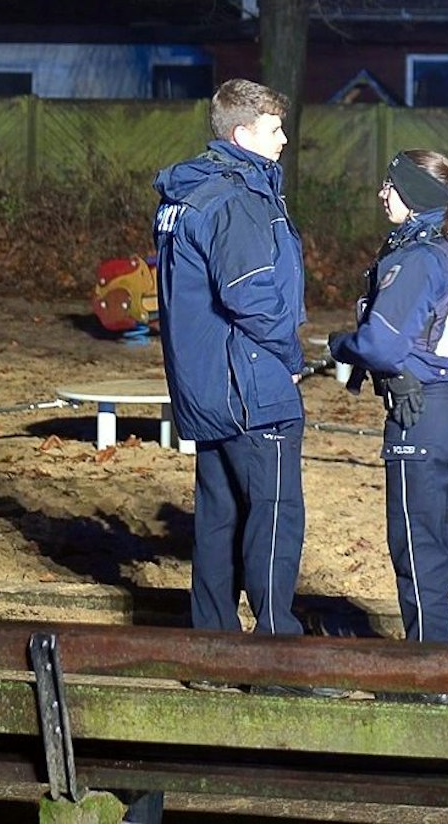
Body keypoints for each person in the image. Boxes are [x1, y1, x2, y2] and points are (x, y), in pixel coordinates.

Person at [328, 149, 448, 687]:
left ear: (414, 193)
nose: (381, 195)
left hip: (425, 418)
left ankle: (430, 677)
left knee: (418, 546)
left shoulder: (417, 258)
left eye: (389, 186)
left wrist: (339, 344)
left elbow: (381, 345)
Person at [153, 78, 310, 641]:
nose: (285, 139)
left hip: (209, 387)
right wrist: (290, 354)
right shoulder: (236, 199)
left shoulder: (187, 196)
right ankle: (276, 653)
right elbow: (251, 294)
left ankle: (213, 648)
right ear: (242, 134)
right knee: (274, 520)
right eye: (274, 129)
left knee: (218, 520)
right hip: (252, 388)